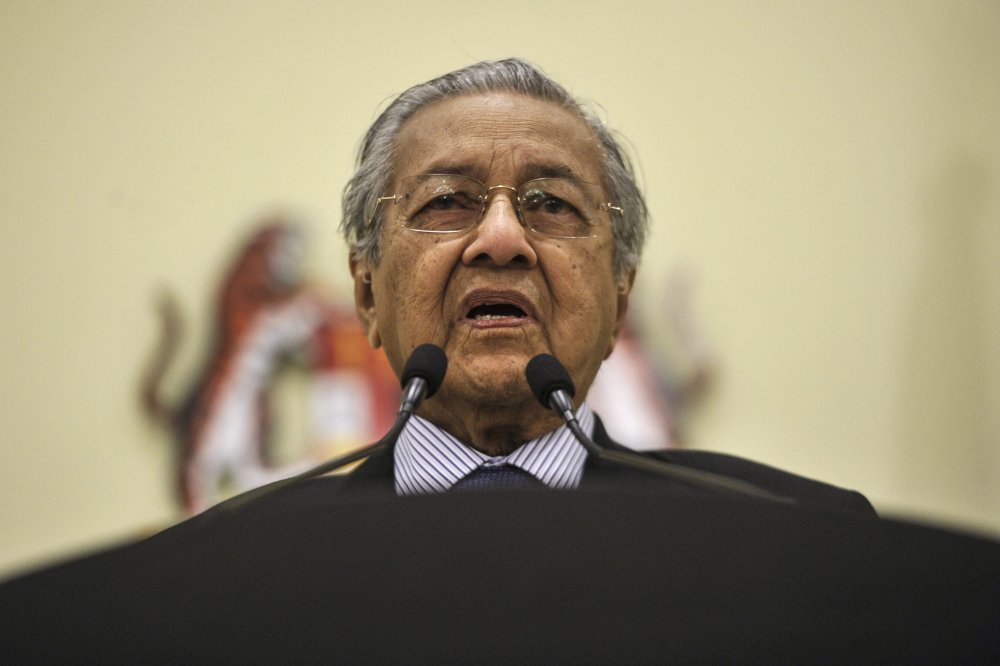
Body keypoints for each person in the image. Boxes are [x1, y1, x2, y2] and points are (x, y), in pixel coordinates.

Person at [328, 57, 874, 511]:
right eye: (447, 201)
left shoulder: (795, 533)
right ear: (368, 293)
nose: (501, 237)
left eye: (552, 204)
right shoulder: (260, 553)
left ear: (619, 301)